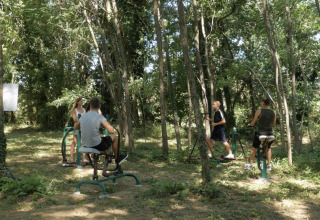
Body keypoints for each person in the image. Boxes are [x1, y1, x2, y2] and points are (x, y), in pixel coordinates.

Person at [74, 98, 128, 165]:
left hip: (86, 145)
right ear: (99, 106)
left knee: (102, 137)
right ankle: (117, 159)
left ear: (90, 105)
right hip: (96, 145)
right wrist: (107, 124)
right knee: (114, 137)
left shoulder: (83, 116)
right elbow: (111, 131)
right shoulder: (99, 117)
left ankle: (108, 156)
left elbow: (75, 127)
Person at [244, 95, 276, 171]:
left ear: (263, 103)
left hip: (261, 133)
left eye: (262, 101)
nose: (261, 102)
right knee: (268, 148)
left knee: (254, 148)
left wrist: (250, 125)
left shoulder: (259, 111)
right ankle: (268, 165)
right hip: (270, 134)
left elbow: (253, 123)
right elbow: (274, 124)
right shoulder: (273, 112)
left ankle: (250, 165)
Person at [70, 97, 86, 163]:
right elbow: (74, 119)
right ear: (77, 102)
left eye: (82, 101)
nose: (81, 102)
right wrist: (80, 121)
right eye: (80, 101)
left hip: (83, 127)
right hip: (77, 126)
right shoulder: (74, 110)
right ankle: (71, 158)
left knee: (83, 142)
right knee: (75, 142)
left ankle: (83, 158)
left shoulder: (84, 110)